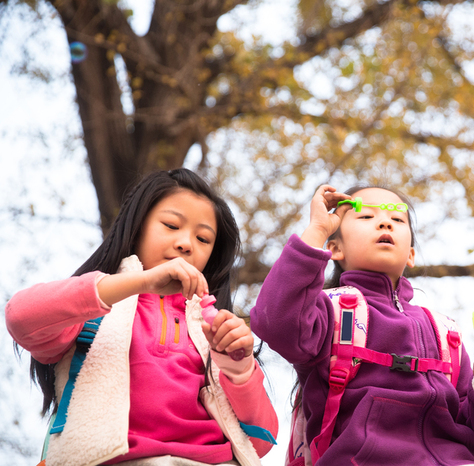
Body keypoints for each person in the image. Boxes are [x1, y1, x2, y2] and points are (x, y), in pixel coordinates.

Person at [5, 169, 278, 466]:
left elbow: (260, 440)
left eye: (203, 238)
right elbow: (21, 316)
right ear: (137, 228)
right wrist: (143, 281)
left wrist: (240, 370)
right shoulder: (91, 314)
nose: (186, 243)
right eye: (171, 225)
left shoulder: (212, 328)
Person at [250, 184, 474, 466]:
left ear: (411, 255)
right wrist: (317, 229)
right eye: (366, 217)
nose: (384, 221)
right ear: (335, 249)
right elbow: (274, 320)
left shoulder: (445, 334)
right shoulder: (328, 312)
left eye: (398, 219)